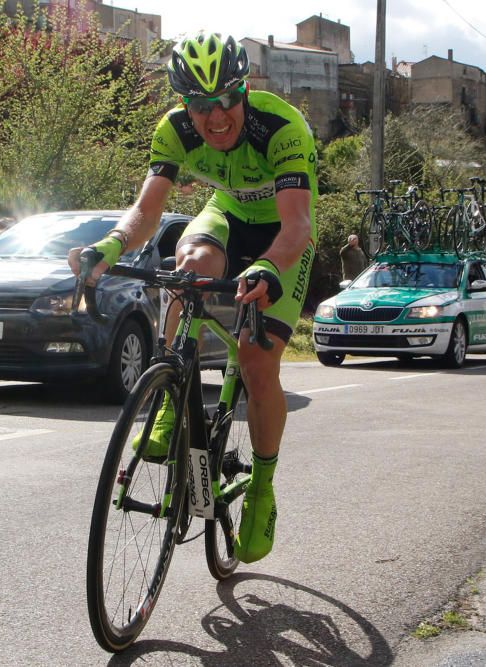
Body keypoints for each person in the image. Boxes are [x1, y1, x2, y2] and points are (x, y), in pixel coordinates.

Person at [68, 32, 317, 565]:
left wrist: (270, 269)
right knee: (188, 269)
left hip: (281, 238)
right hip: (226, 214)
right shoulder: (175, 131)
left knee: (255, 362)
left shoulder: (282, 127)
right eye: (203, 105)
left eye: (228, 98)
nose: (218, 115)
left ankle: (263, 489)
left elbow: (297, 225)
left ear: (244, 89)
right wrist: (108, 247)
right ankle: (169, 394)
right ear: (185, 104)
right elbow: (146, 211)